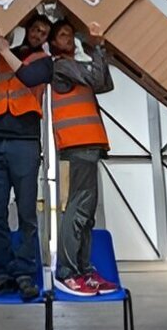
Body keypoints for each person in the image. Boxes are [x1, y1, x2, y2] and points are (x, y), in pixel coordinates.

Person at [0, 13, 54, 301]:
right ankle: (5, 272)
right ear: (26, 28)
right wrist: (1, 35)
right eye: (35, 28)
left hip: (25, 144)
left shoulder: (44, 63)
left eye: (44, 32)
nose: (38, 34)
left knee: (26, 213)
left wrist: (3, 49)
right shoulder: (2, 54)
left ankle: (24, 274)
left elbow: (28, 76)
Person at [48, 19, 118, 297]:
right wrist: (98, 46)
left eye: (69, 34)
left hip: (88, 145)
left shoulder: (77, 66)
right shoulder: (62, 66)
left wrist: (93, 50)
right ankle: (67, 272)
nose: (68, 38)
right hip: (77, 145)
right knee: (77, 210)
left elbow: (105, 84)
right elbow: (97, 78)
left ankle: (83, 269)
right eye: (62, 35)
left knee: (86, 214)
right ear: (53, 43)